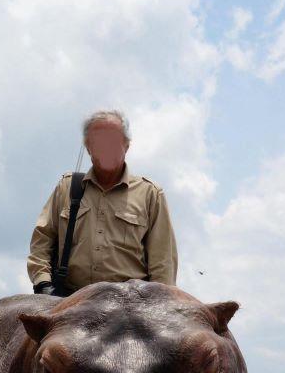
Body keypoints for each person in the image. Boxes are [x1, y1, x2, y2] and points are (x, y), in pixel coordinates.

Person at [27, 109, 178, 295]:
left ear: (127, 145)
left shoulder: (150, 194)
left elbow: (163, 263)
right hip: (70, 299)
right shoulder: (67, 188)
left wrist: (160, 302)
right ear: (88, 147)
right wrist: (43, 284)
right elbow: (41, 241)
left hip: (131, 302)